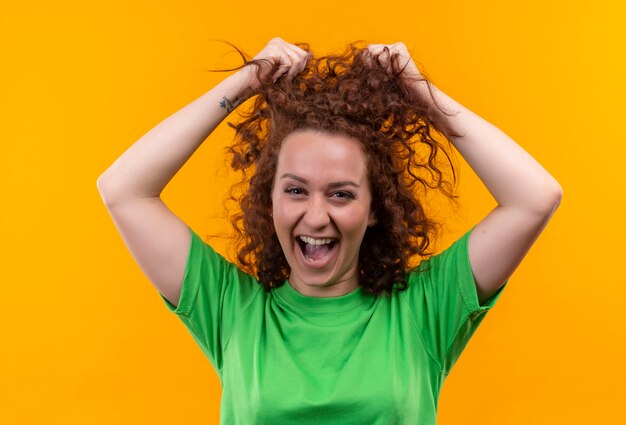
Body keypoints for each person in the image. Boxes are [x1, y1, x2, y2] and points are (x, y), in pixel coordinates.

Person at [97, 37, 562, 424]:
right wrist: (245, 83)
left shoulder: (423, 311)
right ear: (270, 200)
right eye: (296, 190)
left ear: (375, 208)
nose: (316, 216)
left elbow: (535, 197)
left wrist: (419, 93)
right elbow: (123, 189)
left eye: (340, 194)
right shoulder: (233, 312)